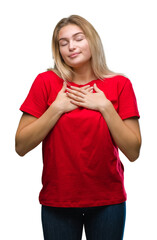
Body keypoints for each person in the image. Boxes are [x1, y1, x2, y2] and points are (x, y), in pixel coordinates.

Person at [15, 15, 141, 240]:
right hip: (58, 200)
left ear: (92, 40)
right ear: (58, 50)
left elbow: (133, 151)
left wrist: (104, 107)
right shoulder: (46, 82)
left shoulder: (120, 84)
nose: (71, 46)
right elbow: (21, 145)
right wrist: (57, 108)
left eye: (78, 38)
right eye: (63, 43)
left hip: (108, 201)